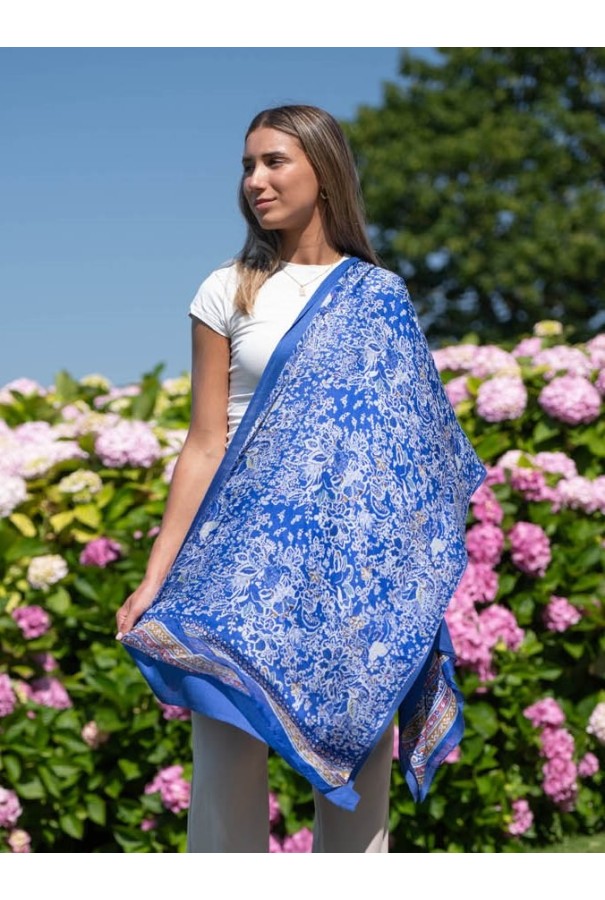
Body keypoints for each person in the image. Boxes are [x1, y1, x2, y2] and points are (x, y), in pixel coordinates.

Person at [115, 104, 485, 853]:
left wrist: (407, 586)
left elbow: (412, 455)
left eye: (274, 162)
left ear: (325, 170)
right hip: (234, 570)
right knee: (223, 773)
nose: (255, 180)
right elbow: (204, 443)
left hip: (352, 579)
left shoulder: (379, 297)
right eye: (247, 166)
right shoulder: (228, 289)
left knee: (358, 790)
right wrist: (156, 574)